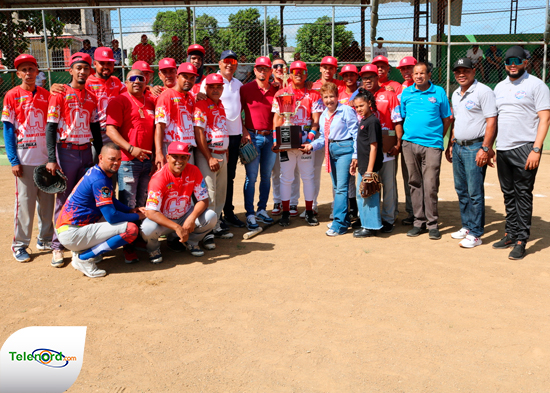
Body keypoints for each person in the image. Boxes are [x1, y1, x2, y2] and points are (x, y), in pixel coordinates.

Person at [492, 46, 550, 260]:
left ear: (525, 62)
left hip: (525, 147)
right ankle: (510, 233)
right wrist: (491, 147)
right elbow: (495, 119)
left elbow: (545, 118)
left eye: (517, 60)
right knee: (508, 193)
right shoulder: (499, 87)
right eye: (508, 61)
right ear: (504, 64)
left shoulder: (536, 85)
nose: (512, 64)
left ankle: (521, 240)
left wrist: (536, 149)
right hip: (504, 148)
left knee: (522, 194)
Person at [46, 52, 102, 267]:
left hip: (86, 151)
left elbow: (96, 129)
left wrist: (99, 155)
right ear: (70, 70)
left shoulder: (91, 97)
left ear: (90, 71)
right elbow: (50, 128)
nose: (82, 72)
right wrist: (52, 159)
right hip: (66, 151)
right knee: (63, 199)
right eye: (78, 68)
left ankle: (80, 244)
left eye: (85, 68)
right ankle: (57, 247)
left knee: (84, 198)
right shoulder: (59, 94)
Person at [56, 143, 145, 277]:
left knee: (118, 218)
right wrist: (138, 217)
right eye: (112, 159)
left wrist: (130, 210)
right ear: (101, 158)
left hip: (70, 228)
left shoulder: (98, 171)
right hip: (72, 233)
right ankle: (84, 258)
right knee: (131, 229)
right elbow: (112, 217)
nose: (116, 163)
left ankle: (83, 249)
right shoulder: (99, 180)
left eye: (119, 159)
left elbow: (111, 200)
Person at [2, 54, 54, 262]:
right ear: (18, 73)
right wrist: (14, 160)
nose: (28, 73)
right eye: (24, 70)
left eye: (31, 69)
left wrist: (53, 157)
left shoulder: (45, 94)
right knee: (25, 204)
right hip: (24, 160)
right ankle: (20, 245)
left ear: (37, 71)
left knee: (47, 201)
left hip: (45, 160)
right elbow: (8, 129)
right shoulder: (11, 95)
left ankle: (45, 238)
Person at [445, 57, 497, 249]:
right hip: (458, 146)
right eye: (457, 71)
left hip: (475, 147)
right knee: (462, 190)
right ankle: (467, 226)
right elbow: (456, 121)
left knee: (475, 192)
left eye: (465, 70)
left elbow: (491, 121)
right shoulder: (456, 93)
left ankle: (476, 233)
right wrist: (451, 143)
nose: (461, 74)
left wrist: (485, 148)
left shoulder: (483, 91)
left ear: (473, 71)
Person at [400, 62, 452, 240]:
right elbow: (404, 116)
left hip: (432, 145)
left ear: (429, 75)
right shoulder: (406, 93)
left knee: (430, 184)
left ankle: (432, 224)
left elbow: (447, 118)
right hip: (409, 144)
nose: (418, 76)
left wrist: (437, 137)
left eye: (422, 73)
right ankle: (418, 222)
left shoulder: (439, 92)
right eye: (416, 73)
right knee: (414, 183)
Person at [141, 141, 217, 263]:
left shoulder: (194, 170)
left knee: (211, 216)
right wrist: (176, 227)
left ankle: (191, 242)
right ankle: (153, 249)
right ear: (167, 157)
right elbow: (151, 212)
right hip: (163, 220)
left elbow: (203, 200)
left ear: (188, 157)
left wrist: (191, 218)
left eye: (183, 157)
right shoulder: (158, 178)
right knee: (147, 228)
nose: (179, 160)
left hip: (184, 215)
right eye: (175, 156)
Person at [199, 49, 248, 228]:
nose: (229, 64)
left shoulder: (239, 84)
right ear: (219, 63)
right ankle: (213, 218)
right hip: (214, 138)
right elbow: (199, 101)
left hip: (233, 137)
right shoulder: (209, 81)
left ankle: (227, 212)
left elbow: (239, 111)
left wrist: (243, 130)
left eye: (233, 62)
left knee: (230, 177)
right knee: (212, 179)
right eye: (226, 61)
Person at [301, 82, 358, 236]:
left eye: (332, 96)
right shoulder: (324, 115)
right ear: (322, 98)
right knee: (337, 187)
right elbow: (324, 138)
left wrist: (355, 155)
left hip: (345, 150)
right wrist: (311, 146)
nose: (329, 100)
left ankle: (339, 224)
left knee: (341, 188)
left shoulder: (346, 111)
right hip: (331, 150)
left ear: (337, 96)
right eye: (325, 97)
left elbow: (355, 134)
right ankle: (344, 220)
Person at [353, 63, 404, 233]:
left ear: (378, 77)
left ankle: (389, 218)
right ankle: (367, 218)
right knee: (369, 185)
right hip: (367, 149)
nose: (367, 80)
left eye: (370, 77)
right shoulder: (360, 97)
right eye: (364, 77)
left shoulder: (389, 95)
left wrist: (398, 143)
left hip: (386, 145)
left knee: (387, 185)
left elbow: (397, 121)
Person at [272, 60, 322, 227]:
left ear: (306, 74)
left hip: (305, 142)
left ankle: (308, 212)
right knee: (286, 178)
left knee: (308, 177)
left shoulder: (313, 95)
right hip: (287, 141)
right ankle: (285, 213)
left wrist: (309, 140)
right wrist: (275, 141)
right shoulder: (281, 93)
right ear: (290, 74)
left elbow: (316, 121)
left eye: (301, 71)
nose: (298, 74)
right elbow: (277, 120)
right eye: (294, 71)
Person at [106, 69, 155, 214]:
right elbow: (110, 130)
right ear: (126, 83)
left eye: (141, 78)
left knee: (144, 201)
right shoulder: (119, 101)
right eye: (133, 78)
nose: (137, 81)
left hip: (147, 161)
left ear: (146, 82)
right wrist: (132, 149)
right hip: (128, 161)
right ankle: (129, 234)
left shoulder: (151, 102)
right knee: (129, 202)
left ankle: (141, 233)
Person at [194, 73, 232, 248]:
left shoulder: (220, 104)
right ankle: (206, 232)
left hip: (222, 153)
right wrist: (209, 157)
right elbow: (198, 132)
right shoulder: (201, 105)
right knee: (209, 193)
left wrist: (226, 151)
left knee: (221, 192)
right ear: (206, 88)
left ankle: (215, 225)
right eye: (212, 87)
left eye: (219, 86)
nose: (216, 89)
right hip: (208, 154)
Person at [240, 56, 278, 230]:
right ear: (254, 70)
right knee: (251, 177)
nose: (263, 72)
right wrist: (244, 131)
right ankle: (249, 213)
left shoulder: (276, 90)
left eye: (266, 69)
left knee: (266, 176)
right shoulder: (245, 89)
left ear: (271, 71)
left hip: (270, 136)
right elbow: (234, 113)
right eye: (259, 69)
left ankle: (262, 209)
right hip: (252, 137)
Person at [310, 56, 346, 217]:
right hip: (318, 132)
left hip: (337, 133)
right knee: (314, 170)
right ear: (320, 68)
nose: (327, 70)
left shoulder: (342, 85)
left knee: (336, 172)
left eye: (331, 67)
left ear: (335, 70)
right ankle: (313, 205)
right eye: (324, 67)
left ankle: (335, 208)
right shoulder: (312, 85)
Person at [270, 58, 301, 217]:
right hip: (281, 134)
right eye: (276, 66)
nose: (279, 68)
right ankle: (278, 200)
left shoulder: (295, 87)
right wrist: (276, 139)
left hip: (294, 134)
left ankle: (293, 201)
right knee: (277, 171)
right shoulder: (277, 91)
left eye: (282, 66)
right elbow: (276, 118)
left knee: (293, 171)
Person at [350, 88, 384, 237]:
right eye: (356, 107)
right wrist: (357, 161)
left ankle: (372, 226)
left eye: (361, 106)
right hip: (363, 165)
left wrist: (369, 171)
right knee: (362, 194)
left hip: (369, 167)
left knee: (369, 194)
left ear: (369, 103)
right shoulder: (363, 121)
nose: (359, 109)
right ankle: (365, 224)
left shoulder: (373, 121)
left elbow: (374, 146)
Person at [154, 62, 197, 169]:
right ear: (177, 77)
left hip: (189, 150)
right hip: (173, 151)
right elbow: (159, 126)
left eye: (192, 78)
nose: (188, 80)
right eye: (185, 77)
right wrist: (159, 152)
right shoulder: (166, 96)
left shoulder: (191, 97)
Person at [396, 56, 417, 225]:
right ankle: (412, 211)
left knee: (424, 178)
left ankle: (424, 212)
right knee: (409, 176)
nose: (406, 71)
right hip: (405, 138)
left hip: (422, 139)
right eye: (403, 69)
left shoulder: (427, 87)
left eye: (409, 68)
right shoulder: (401, 88)